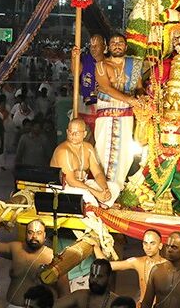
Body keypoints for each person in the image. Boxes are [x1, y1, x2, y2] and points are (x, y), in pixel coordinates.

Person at [0, 219, 68, 307]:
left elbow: (65, 294)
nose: (34, 236)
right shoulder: (16, 248)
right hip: (12, 305)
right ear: (26, 234)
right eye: (30, 232)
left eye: (38, 233)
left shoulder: (54, 259)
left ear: (44, 235)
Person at [94, 33, 144, 189]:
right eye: (113, 42)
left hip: (126, 115)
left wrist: (142, 99)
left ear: (126, 46)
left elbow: (139, 88)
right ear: (108, 47)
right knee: (103, 150)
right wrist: (130, 99)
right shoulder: (102, 66)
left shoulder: (134, 65)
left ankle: (118, 188)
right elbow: (106, 88)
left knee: (125, 153)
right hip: (107, 115)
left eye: (120, 42)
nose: (117, 45)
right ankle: (103, 188)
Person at [49, 118, 119, 206]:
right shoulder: (63, 151)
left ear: (84, 134)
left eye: (77, 132)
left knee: (114, 187)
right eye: (70, 132)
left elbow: (97, 173)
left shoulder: (88, 148)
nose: (73, 135)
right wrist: (95, 192)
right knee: (87, 195)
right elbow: (71, 181)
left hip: (82, 185)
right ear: (67, 132)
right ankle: (97, 206)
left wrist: (105, 189)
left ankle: (100, 203)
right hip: (61, 188)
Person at [98, 229, 165, 303]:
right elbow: (107, 265)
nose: (148, 247)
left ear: (160, 246)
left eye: (152, 243)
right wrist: (96, 247)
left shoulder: (168, 266)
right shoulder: (138, 262)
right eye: (145, 243)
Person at [140, 232, 180, 308]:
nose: (169, 250)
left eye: (174, 247)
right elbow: (146, 303)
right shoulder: (156, 271)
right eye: (167, 246)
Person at [74, 34, 106, 133]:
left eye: (96, 45)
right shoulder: (85, 59)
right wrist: (74, 57)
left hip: (103, 104)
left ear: (104, 47)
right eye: (91, 46)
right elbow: (75, 72)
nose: (93, 48)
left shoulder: (108, 61)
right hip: (86, 104)